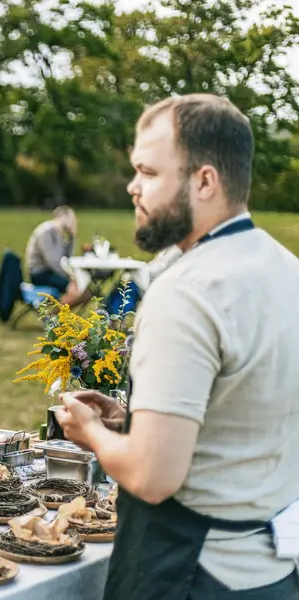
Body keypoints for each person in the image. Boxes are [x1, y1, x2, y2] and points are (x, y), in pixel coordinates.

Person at [56, 94, 299, 599]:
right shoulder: (285, 269)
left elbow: (152, 476)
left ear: (204, 181)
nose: (132, 186)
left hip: (191, 573)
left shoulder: (188, 290)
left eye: (147, 172)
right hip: (272, 577)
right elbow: (253, 410)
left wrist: (93, 432)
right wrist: (139, 421)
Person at [24, 205, 89, 306]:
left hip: (52, 272)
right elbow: (53, 262)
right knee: (76, 290)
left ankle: (58, 314)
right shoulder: (46, 232)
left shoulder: (58, 233)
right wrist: (70, 276)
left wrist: (72, 237)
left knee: (86, 291)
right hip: (41, 273)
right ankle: (54, 315)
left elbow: (67, 257)